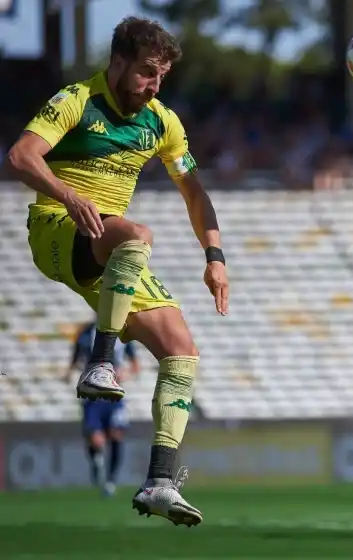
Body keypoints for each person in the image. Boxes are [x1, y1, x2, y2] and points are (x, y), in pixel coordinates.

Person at [7, 17, 230, 527]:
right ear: (117, 62)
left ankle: (160, 481)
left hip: (113, 252)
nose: (152, 86)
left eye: (161, 78)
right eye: (146, 73)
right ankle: (100, 361)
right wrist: (68, 194)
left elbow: (195, 194)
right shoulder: (75, 101)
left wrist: (214, 257)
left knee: (181, 349)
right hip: (57, 230)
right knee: (136, 235)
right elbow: (20, 156)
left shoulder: (162, 121)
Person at [66, 319, 141, 497]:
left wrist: (126, 374)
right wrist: (71, 372)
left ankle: (111, 480)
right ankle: (96, 462)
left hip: (114, 394)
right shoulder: (86, 332)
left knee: (116, 434)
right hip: (92, 394)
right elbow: (76, 358)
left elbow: (135, 365)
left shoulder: (123, 334)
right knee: (96, 439)